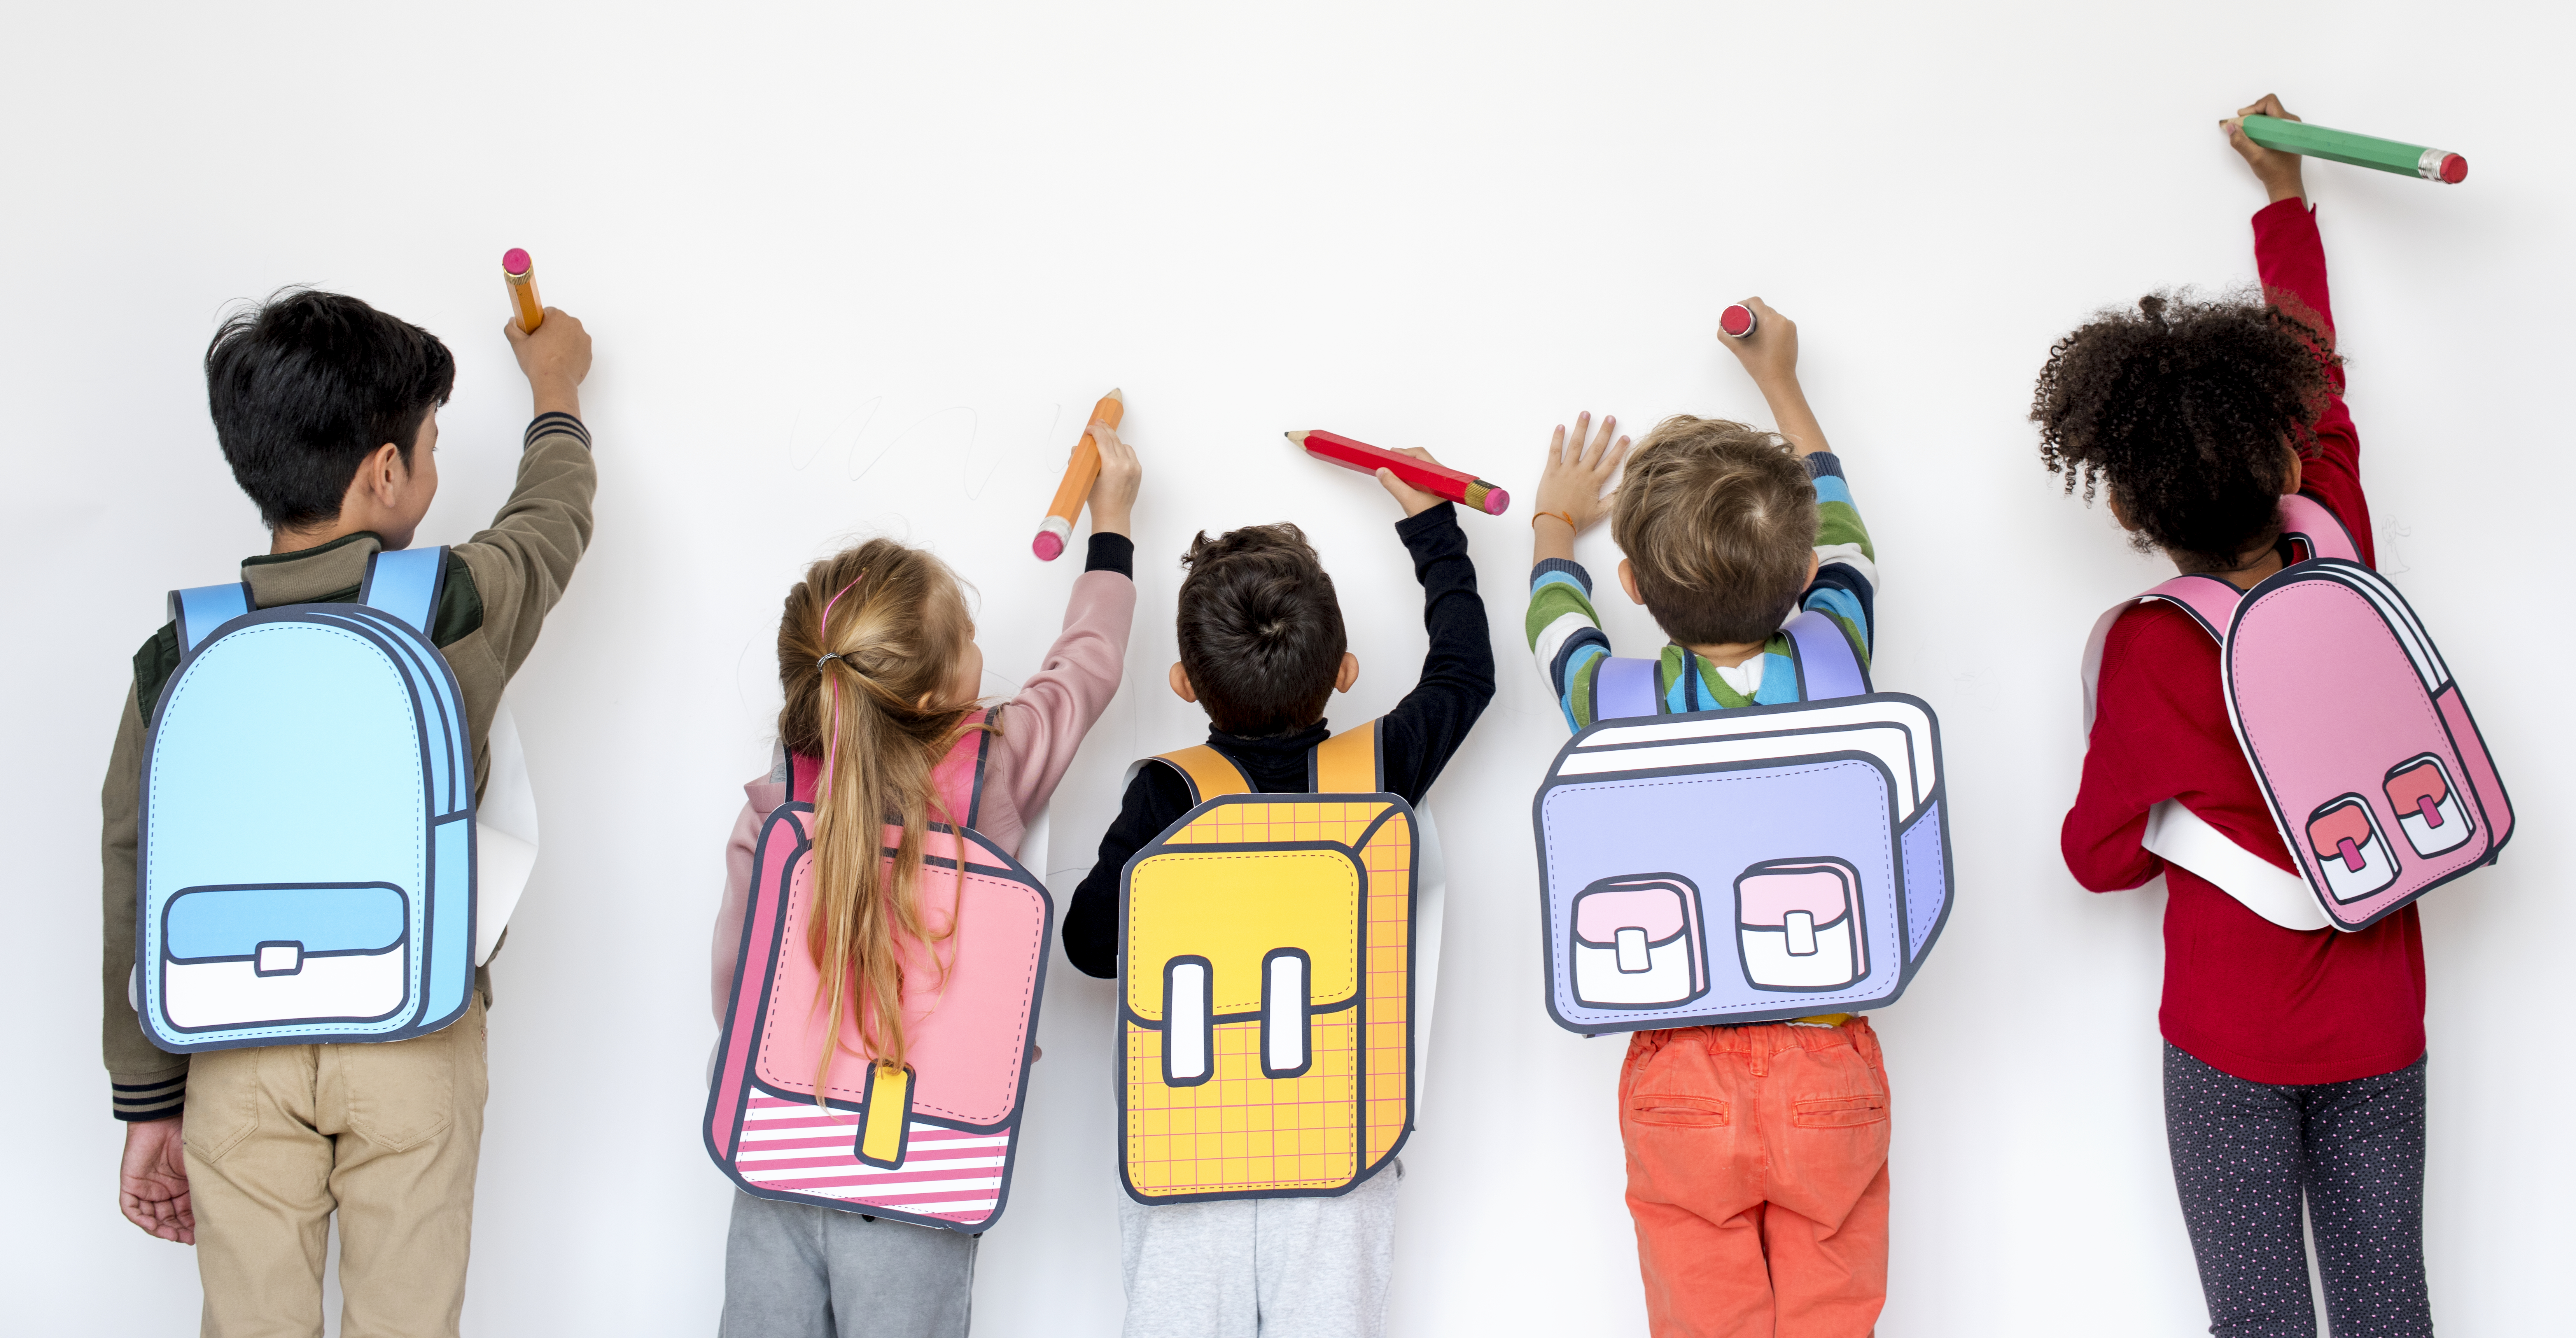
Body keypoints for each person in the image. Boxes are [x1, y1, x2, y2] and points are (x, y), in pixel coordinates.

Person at [106, 288, 597, 1335]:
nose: (429, 467)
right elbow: (553, 520)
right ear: (386, 473)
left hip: (235, 1048)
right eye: (427, 446)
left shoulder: (180, 652)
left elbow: (131, 865)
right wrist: (556, 390)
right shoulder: (452, 605)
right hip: (412, 1031)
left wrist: (151, 1100)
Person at [2044, 94, 2432, 1338]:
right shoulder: (2340, 542)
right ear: (2283, 458)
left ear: (2123, 513)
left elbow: (2098, 863)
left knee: (2257, 1321)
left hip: (2227, 1045)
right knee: (2389, 1307)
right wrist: (2282, 201)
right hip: (2382, 1017)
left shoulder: (2152, 652)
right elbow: (2321, 378)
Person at [709, 425, 1141, 1338]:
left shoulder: (778, 804)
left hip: (782, 1151)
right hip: (922, 1158)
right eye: (972, 638)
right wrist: (1113, 524)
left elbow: (734, 996)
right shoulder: (996, 764)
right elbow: (1086, 669)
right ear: (945, 693)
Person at [1060, 456, 1494, 1338]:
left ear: (1185, 684)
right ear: (1344, 669)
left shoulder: (1167, 796)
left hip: (1184, 1159)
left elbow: (1088, 944)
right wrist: (1432, 528)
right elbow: (1464, 676)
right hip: (1340, 1148)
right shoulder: (1377, 777)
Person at [1522, 299, 1887, 1337]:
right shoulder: (1835, 658)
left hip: (1682, 1061)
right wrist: (1782, 384)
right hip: (1827, 1054)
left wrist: (1555, 525)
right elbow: (1849, 537)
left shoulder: (1614, 702)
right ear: (1807, 577)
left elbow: (1559, 624)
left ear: (1633, 586)